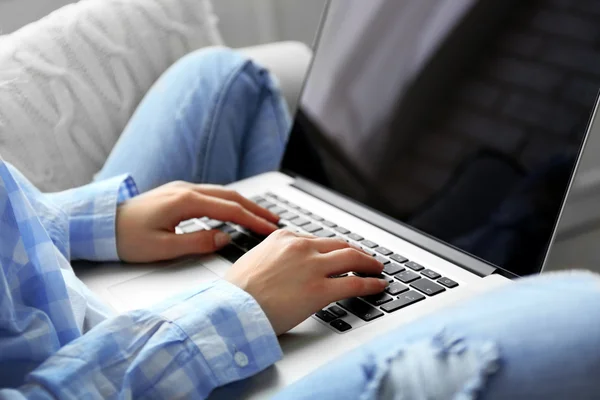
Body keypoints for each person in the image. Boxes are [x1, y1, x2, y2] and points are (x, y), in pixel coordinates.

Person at [1, 48, 600, 400]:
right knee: (585, 314)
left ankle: (432, 236)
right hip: (92, 376)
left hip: (51, 304)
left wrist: (80, 222)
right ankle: (497, 223)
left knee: (220, 77)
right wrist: (229, 311)